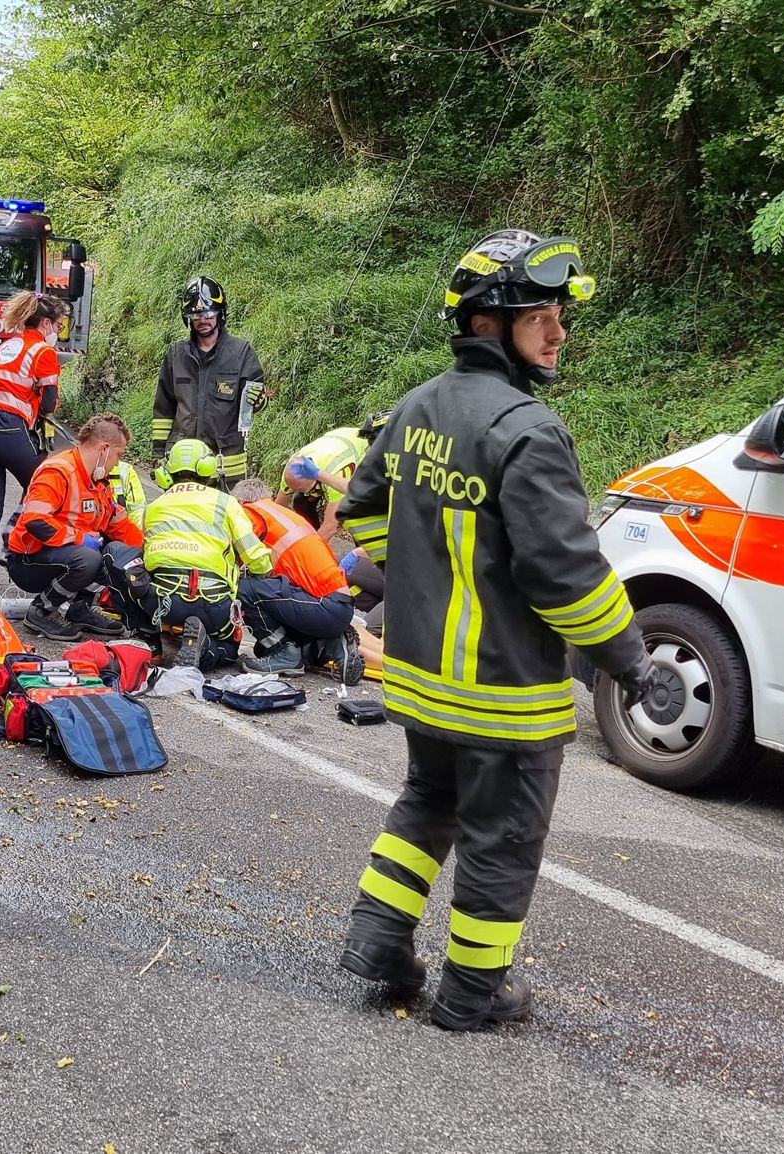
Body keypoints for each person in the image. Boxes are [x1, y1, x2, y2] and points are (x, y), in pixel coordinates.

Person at [332, 229, 661, 1031]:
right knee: (503, 840)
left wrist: (424, 573)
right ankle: (475, 993)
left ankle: (378, 944)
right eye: (539, 314)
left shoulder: (416, 407)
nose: (558, 332)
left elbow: (363, 510)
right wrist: (629, 658)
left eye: (558, 315)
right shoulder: (528, 430)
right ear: (488, 324)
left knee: (426, 804)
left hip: (418, 678)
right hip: (501, 689)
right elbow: (565, 573)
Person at [119, 439, 272, 670]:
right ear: (209, 467)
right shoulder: (227, 503)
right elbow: (256, 557)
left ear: (166, 472)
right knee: (230, 649)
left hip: (165, 603)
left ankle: (149, 640)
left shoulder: (154, 507)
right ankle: (205, 647)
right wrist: (262, 578)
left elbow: (146, 558)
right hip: (214, 604)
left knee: (125, 564)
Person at [6, 413, 141, 640]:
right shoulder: (58, 471)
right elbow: (35, 521)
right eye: (118, 455)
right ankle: (41, 611)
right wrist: (79, 538)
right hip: (28, 561)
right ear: (105, 449)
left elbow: (119, 525)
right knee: (90, 557)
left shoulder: (98, 482)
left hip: (65, 555)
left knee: (118, 554)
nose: (117, 463)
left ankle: (79, 609)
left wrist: (146, 554)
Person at [0, 291, 67, 594]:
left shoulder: (7, 345)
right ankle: (13, 540)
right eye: (59, 325)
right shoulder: (43, 352)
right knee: (41, 487)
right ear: (46, 323)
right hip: (9, 428)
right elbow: (49, 404)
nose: (59, 332)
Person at [231, 479, 363, 683]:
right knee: (262, 645)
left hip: (321, 606)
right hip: (338, 607)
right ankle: (333, 643)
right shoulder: (286, 516)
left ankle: (284, 652)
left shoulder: (250, 513)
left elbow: (232, 559)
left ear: (240, 502)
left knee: (244, 589)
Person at [151, 276, 266, 482]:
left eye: (209, 314)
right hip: (182, 466)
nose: (203, 320)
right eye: (196, 316)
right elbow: (163, 409)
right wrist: (158, 455)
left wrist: (259, 400)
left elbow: (255, 402)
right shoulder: (176, 355)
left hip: (225, 470)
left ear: (220, 314)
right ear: (188, 318)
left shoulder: (241, 353)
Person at [280, 424, 371, 538]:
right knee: (301, 502)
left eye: (308, 490)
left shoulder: (337, 471)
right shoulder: (291, 469)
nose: (305, 493)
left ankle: (363, 553)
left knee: (356, 514)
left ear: (317, 480)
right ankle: (312, 537)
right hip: (334, 444)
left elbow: (330, 528)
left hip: (361, 451)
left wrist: (309, 552)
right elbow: (278, 510)